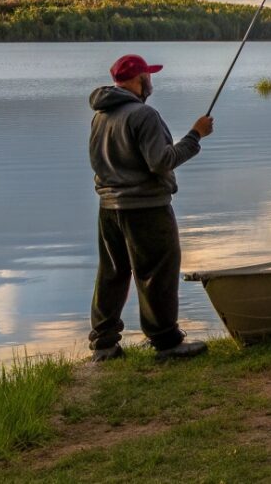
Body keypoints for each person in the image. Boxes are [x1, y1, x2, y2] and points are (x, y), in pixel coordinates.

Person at [86, 53, 214, 361]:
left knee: (112, 273)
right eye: (148, 76)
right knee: (157, 273)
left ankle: (104, 344)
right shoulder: (144, 115)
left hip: (109, 208)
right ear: (138, 80)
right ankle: (166, 342)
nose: (151, 82)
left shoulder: (100, 115)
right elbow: (162, 162)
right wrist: (196, 135)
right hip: (146, 208)